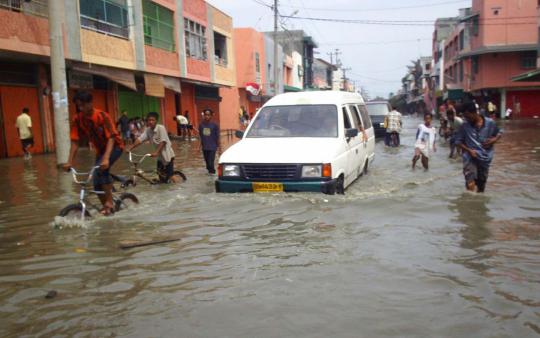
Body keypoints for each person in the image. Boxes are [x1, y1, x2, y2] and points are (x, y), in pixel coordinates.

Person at [63, 91, 124, 215]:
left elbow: (111, 138)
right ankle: (107, 209)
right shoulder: (77, 119)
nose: (81, 108)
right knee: (96, 182)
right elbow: (75, 141)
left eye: (83, 105)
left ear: (90, 103)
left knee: (101, 170)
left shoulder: (102, 116)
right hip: (100, 150)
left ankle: (110, 202)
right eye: (79, 106)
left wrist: (106, 158)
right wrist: (70, 162)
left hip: (115, 147)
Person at [455, 102, 502, 193]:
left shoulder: (490, 123)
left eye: (468, 116)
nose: (467, 119)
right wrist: (469, 150)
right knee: (470, 182)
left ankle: (477, 204)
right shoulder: (464, 126)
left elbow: (499, 132)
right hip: (470, 157)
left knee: (481, 187)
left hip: (485, 158)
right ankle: (470, 203)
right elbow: (458, 142)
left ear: (474, 113)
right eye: (465, 117)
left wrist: (494, 140)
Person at [127, 112, 179, 183]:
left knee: (170, 175)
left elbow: (163, 141)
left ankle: (179, 188)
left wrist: (156, 152)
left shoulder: (161, 128)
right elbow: (140, 139)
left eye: (152, 120)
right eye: (149, 120)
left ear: (156, 121)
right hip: (160, 157)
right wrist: (131, 147)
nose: (150, 122)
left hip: (167, 156)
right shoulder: (148, 130)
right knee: (160, 176)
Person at [198, 109, 220, 174]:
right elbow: (200, 137)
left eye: (208, 115)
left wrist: (219, 148)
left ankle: (213, 174)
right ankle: (210, 175)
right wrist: (198, 147)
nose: (207, 116)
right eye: (205, 115)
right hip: (205, 147)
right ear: (203, 115)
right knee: (207, 165)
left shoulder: (215, 125)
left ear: (211, 116)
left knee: (211, 163)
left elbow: (217, 137)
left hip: (213, 147)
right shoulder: (201, 125)